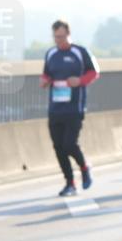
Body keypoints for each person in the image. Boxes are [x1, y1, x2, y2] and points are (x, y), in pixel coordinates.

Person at [40, 20, 100, 196]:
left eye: (62, 36)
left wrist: (80, 81)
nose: (59, 40)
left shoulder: (80, 52)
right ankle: (70, 183)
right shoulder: (51, 53)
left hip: (74, 107)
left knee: (69, 144)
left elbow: (94, 72)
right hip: (55, 108)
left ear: (68, 34)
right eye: (56, 37)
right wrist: (44, 81)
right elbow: (46, 74)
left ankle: (84, 167)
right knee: (58, 146)